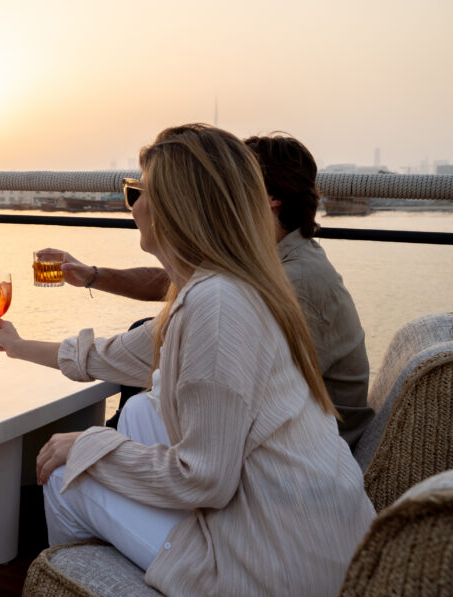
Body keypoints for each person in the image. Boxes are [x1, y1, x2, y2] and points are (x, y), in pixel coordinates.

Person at [0, 124, 375, 597]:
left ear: (174, 205)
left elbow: (206, 478)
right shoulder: (231, 285)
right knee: (144, 411)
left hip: (280, 578)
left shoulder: (216, 305)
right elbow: (121, 356)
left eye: (136, 192)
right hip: (321, 541)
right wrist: (18, 344)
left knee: (63, 473)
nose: (133, 206)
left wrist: (93, 443)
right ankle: (139, 560)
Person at [44, 133, 374, 447]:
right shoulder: (271, 259)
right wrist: (93, 276)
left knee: (159, 357)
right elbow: (176, 286)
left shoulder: (294, 280)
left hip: (306, 452)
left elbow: (184, 338)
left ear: (271, 198)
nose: (216, 195)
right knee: (154, 347)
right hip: (282, 432)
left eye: (231, 184)